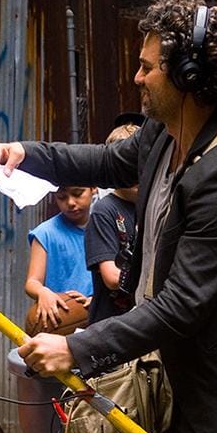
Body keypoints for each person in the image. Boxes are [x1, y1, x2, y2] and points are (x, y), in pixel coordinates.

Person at [0, 0, 217, 433]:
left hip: (212, 396)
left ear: (188, 75)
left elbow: (181, 306)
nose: (138, 78)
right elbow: (106, 160)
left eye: (148, 67)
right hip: (161, 377)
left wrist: (78, 346)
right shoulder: (162, 134)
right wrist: (29, 153)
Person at [84, 116, 141, 325]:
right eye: (128, 167)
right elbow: (111, 277)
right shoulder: (104, 211)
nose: (136, 173)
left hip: (144, 323)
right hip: (110, 325)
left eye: (140, 164)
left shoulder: (154, 205)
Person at [23, 185, 95, 331]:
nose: (70, 203)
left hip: (98, 321)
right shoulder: (45, 233)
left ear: (93, 188)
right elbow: (32, 282)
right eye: (61, 197)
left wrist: (98, 300)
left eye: (77, 193)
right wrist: (42, 292)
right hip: (57, 320)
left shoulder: (106, 228)